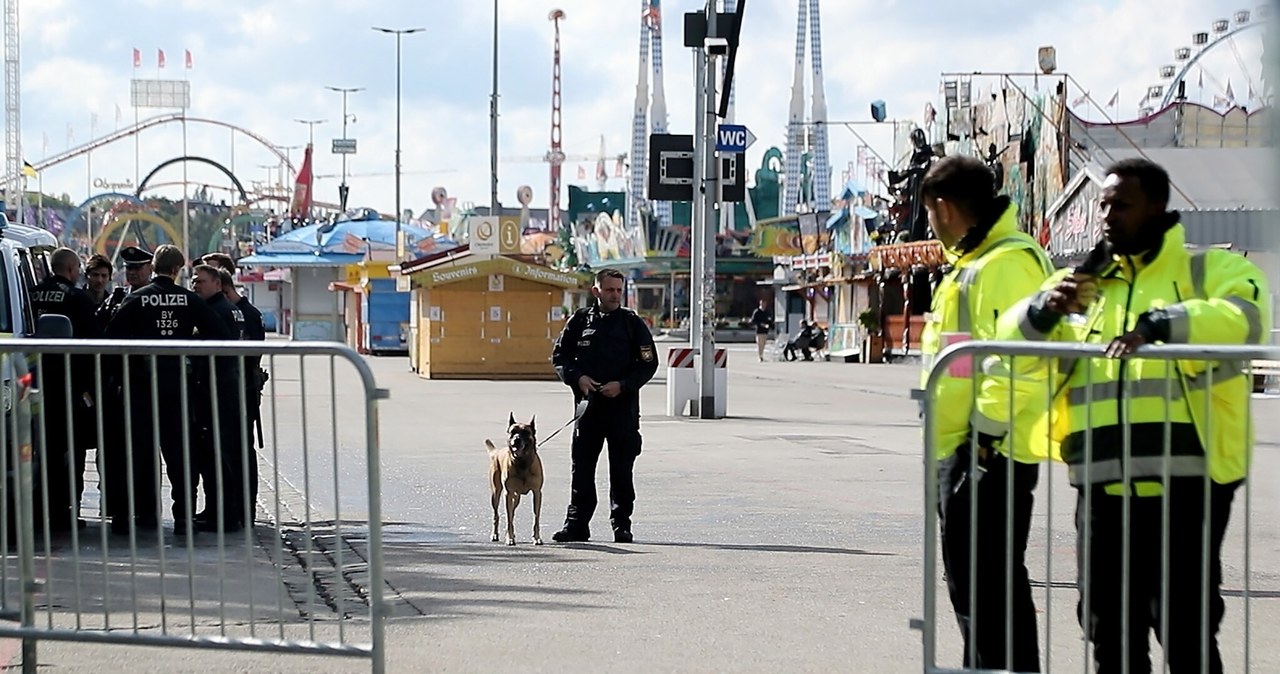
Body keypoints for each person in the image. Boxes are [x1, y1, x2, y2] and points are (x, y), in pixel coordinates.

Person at [981, 158, 1269, 673]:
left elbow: (1246, 317)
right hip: (1101, 488)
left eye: (1122, 205)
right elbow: (1010, 346)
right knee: (1107, 632)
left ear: (1158, 208)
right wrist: (1044, 311)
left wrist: (1161, 325)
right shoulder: (1083, 288)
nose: (1108, 216)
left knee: (1187, 633)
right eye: (1104, 205)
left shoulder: (1205, 270)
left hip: (1187, 489)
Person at [916, 155, 1055, 672]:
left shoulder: (1006, 264)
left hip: (988, 454)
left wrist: (985, 439)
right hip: (961, 449)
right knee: (973, 586)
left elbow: (1017, 359)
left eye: (930, 212)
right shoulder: (972, 265)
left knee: (989, 588)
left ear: (944, 208)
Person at [105, 245, 233, 535]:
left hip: (140, 387)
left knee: (136, 454)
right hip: (176, 387)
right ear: (177, 271)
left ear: (154, 267)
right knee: (180, 456)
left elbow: (110, 339)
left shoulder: (137, 298)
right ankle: (184, 518)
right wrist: (189, 340)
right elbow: (221, 334)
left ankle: (127, 518)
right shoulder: (190, 300)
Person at [550, 268, 658, 543]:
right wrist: (578, 378)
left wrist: (622, 385)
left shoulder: (632, 323)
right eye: (609, 290)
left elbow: (648, 364)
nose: (615, 295)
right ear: (596, 291)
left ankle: (621, 524)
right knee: (582, 469)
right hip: (588, 409)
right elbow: (561, 356)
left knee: (621, 470)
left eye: (619, 290)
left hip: (622, 409)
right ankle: (576, 525)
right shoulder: (579, 320)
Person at [30, 247, 101, 532]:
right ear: (72, 270)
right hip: (68, 385)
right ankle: (62, 513)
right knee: (68, 453)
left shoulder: (31, 293)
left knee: (37, 450)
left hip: (30, 380)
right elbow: (96, 341)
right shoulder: (77, 297)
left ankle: (36, 510)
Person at [190, 263, 249, 532]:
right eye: (194, 281)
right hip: (224, 388)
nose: (195, 285)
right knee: (218, 453)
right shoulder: (229, 309)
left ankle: (223, 514)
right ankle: (217, 509)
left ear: (217, 283)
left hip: (217, 389)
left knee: (218, 454)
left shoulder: (215, 311)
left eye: (201, 281)